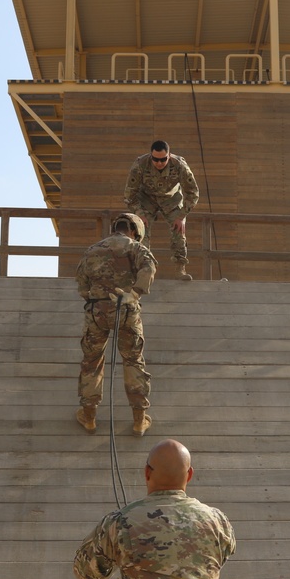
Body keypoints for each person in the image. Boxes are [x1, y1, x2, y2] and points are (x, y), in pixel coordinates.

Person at [73, 439, 236, 579]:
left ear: (146, 472)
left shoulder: (119, 523)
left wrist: (116, 555)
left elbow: (85, 572)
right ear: (189, 475)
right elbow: (221, 557)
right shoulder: (218, 521)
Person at [76, 212, 158, 437]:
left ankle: (89, 417)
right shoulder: (135, 248)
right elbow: (149, 267)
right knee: (133, 361)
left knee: (92, 361)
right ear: (134, 230)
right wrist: (135, 292)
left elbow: (82, 283)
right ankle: (139, 420)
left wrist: (96, 300)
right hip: (128, 312)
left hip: (96, 312)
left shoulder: (92, 250)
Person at [124, 140, 200, 281]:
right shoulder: (140, 164)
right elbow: (129, 195)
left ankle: (180, 269)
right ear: (151, 156)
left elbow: (193, 192)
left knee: (179, 231)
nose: (159, 163)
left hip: (171, 199)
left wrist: (182, 215)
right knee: (141, 231)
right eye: (156, 159)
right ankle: (144, 269)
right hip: (146, 199)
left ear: (169, 156)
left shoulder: (179, 166)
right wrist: (140, 214)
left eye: (163, 159)